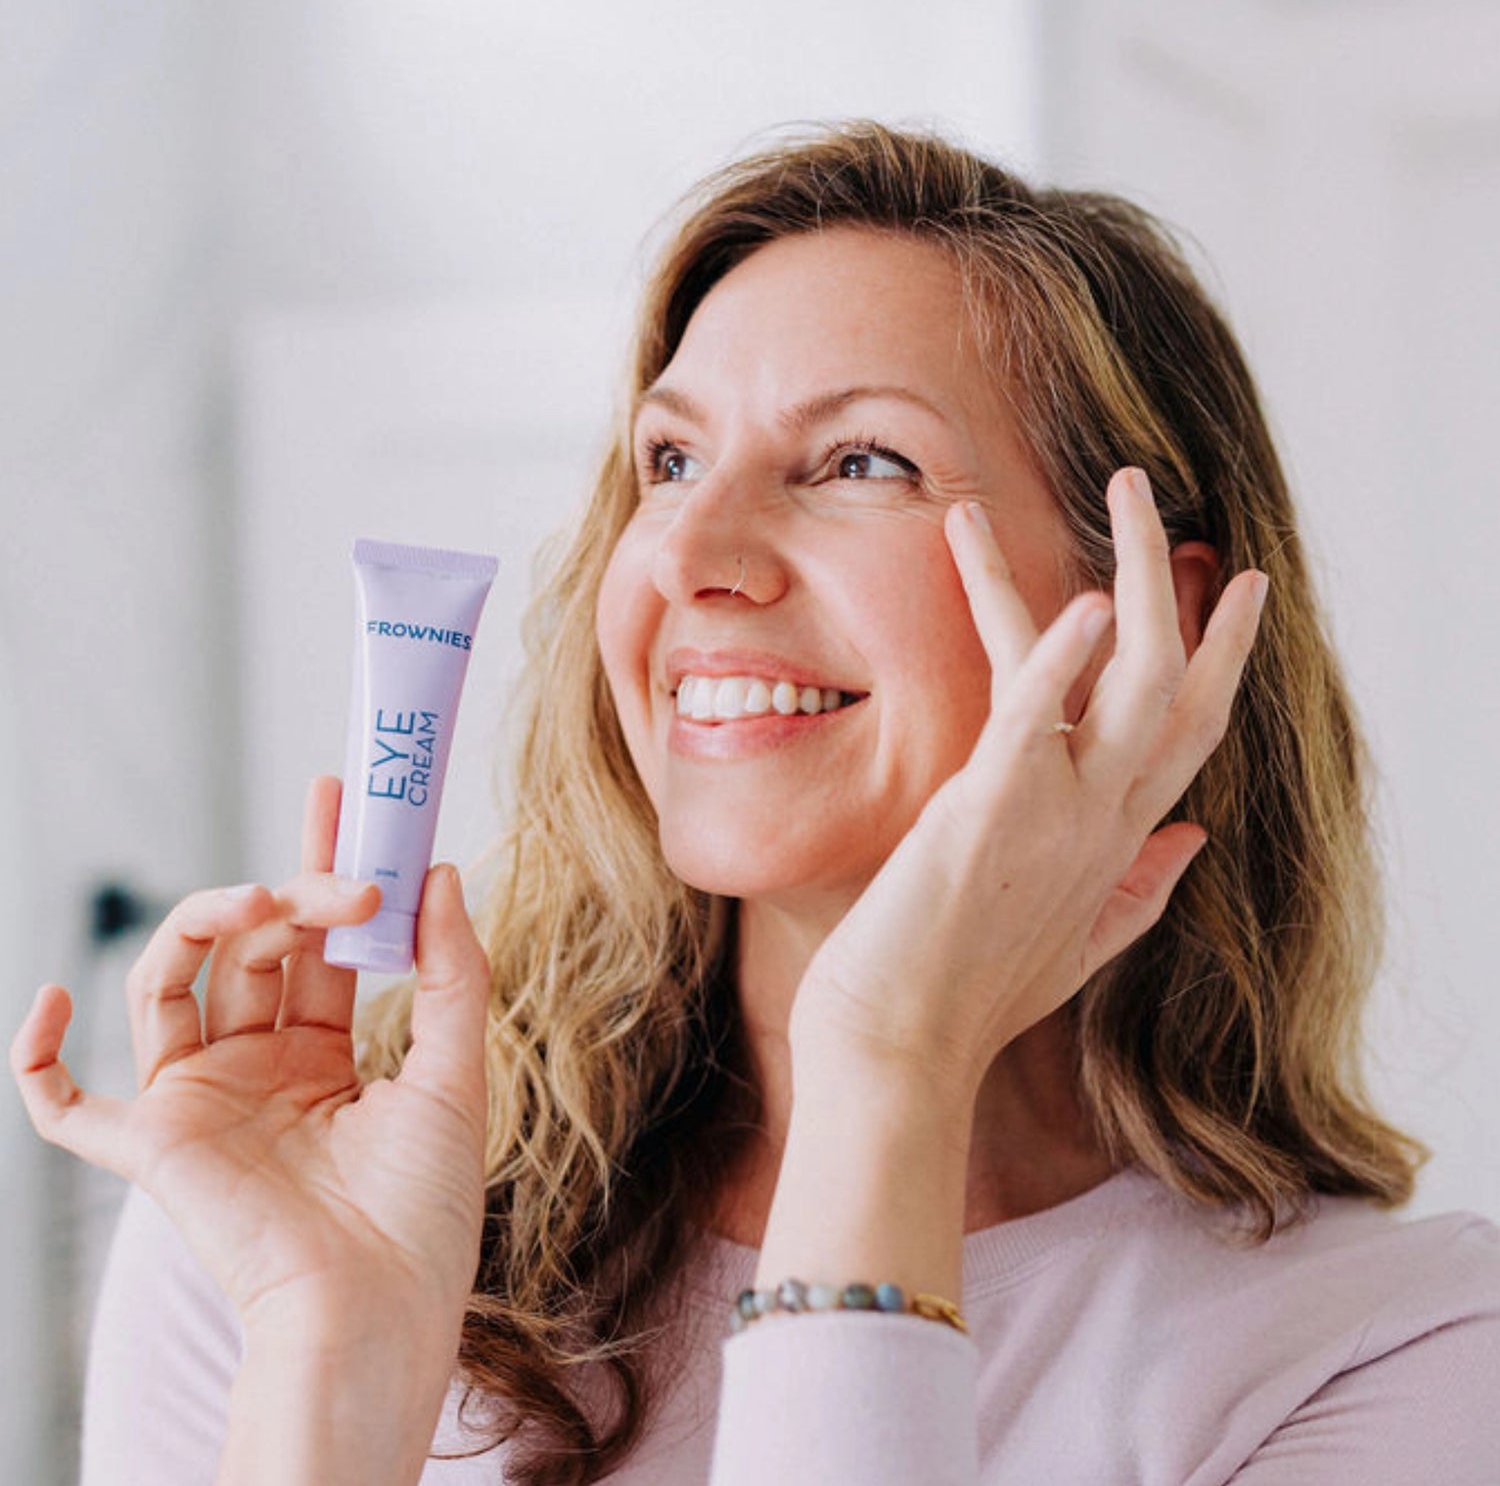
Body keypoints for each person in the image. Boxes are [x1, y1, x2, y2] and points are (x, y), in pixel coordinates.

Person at [11, 121, 1500, 1486]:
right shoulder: (296, 1212)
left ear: (1143, 632)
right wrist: (329, 1365)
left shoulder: (1389, 1356)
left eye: (862, 461)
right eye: (669, 459)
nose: (693, 553)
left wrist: (887, 1071)